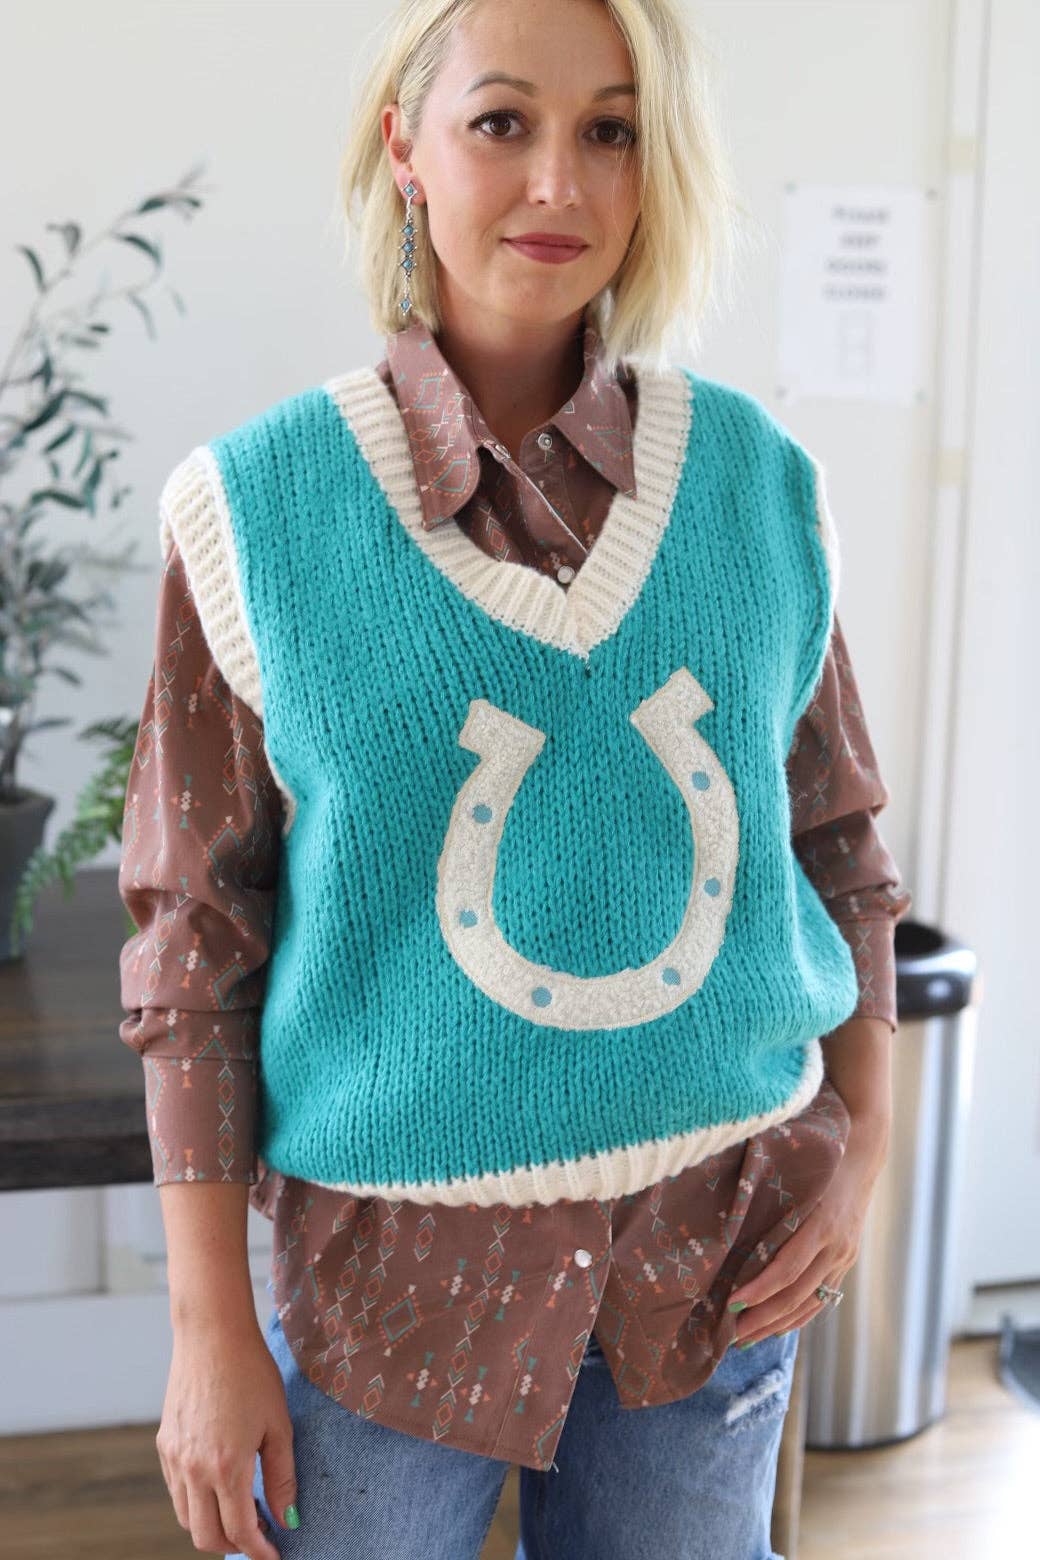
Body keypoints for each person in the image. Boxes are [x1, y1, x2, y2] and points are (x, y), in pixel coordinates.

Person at [117, 1, 912, 1556]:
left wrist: (866, 1147)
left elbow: (839, 842)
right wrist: (207, 1333)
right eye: (502, 123)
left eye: (611, 130)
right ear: (406, 149)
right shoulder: (256, 516)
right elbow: (193, 950)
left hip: (717, 1255)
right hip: (391, 1294)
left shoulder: (757, 486)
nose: (560, 181)